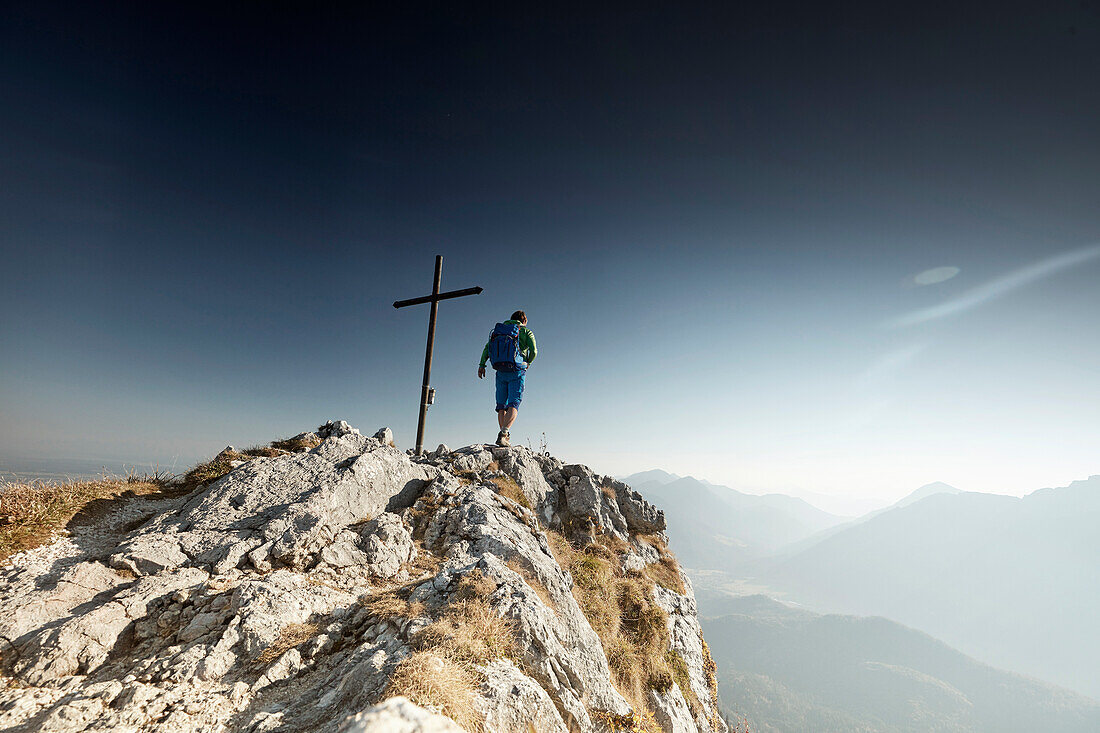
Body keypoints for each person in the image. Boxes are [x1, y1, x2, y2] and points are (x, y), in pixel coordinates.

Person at [477, 310, 537, 446]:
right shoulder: (526, 332)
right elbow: (534, 351)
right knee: (514, 403)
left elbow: (487, 348)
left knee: (501, 405)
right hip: (517, 371)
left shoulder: (499, 332)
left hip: (500, 370)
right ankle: (504, 434)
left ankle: (503, 436)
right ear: (524, 321)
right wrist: (528, 362)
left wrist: (482, 365)